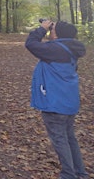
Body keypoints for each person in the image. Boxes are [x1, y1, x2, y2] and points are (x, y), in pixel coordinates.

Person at [25, 20, 88, 179]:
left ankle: (68, 174)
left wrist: (42, 29)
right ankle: (80, 172)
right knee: (69, 138)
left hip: (55, 104)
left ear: (57, 33)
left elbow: (31, 43)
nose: (51, 32)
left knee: (60, 140)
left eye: (53, 30)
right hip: (68, 102)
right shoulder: (71, 49)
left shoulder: (55, 49)